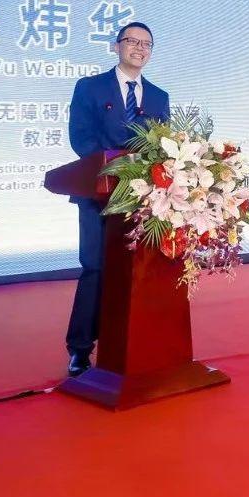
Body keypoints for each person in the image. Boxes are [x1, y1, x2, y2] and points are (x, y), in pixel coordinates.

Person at [64, 22, 169, 375]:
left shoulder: (159, 97)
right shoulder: (90, 87)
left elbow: (164, 146)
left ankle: (133, 344)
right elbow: (81, 137)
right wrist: (119, 168)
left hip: (143, 200)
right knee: (95, 268)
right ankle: (80, 348)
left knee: (139, 274)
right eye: (132, 41)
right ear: (116, 46)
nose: (139, 48)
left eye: (146, 44)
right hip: (99, 194)